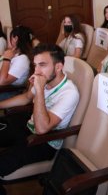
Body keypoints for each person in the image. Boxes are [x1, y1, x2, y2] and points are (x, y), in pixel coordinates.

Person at [0, 44, 79, 191]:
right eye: (35, 65)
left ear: (58, 66)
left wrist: (40, 89)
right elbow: (26, 97)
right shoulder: (45, 79)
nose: (36, 71)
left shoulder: (69, 93)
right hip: (28, 126)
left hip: (45, 141)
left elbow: (42, 129)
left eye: (42, 65)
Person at [0, 26, 32, 100]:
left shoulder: (23, 59)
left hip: (11, 91)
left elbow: (2, 81)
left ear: (15, 38)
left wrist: (7, 59)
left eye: (10, 38)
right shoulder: (15, 54)